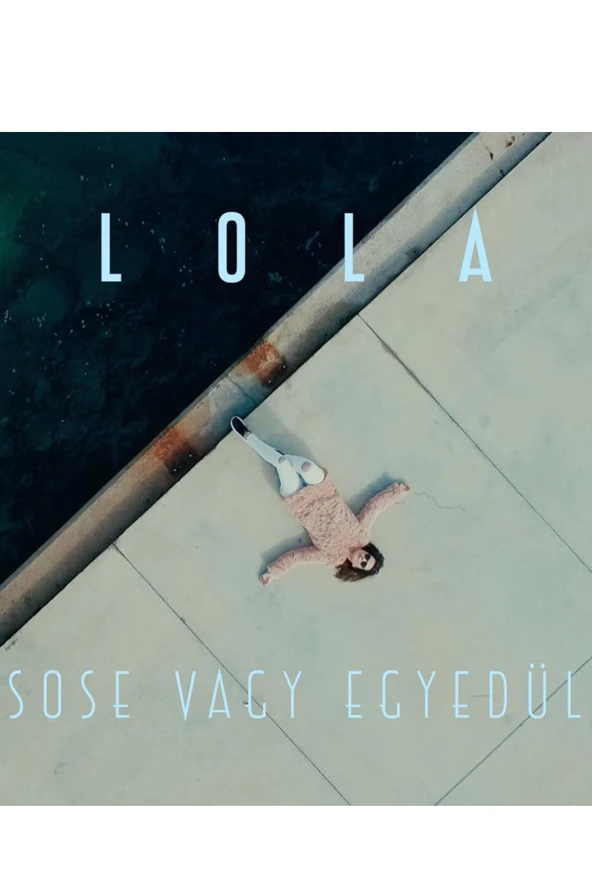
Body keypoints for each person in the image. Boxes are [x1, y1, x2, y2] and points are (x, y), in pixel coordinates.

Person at [230, 416, 411, 585]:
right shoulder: (361, 535)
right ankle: (281, 458)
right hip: (323, 490)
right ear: (368, 551)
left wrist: (273, 572)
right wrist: (397, 491)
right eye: (367, 557)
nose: (362, 558)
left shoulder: (331, 558)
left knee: (282, 463)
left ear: (356, 568)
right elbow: (374, 508)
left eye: (363, 564)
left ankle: (248, 437)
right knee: (307, 468)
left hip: (300, 502)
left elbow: (299, 557)